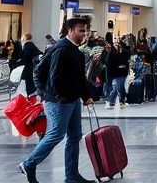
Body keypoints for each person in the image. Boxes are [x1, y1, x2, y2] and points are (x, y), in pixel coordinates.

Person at [19, 17, 93, 183]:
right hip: (60, 101)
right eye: (81, 31)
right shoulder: (62, 50)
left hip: (72, 100)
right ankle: (29, 164)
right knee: (55, 135)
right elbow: (54, 77)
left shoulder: (76, 51)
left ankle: (72, 176)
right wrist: (53, 96)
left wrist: (85, 96)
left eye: (85, 31)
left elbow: (79, 78)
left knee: (74, 136)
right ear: (70, 30)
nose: (84, 34)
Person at [104, 37, 130, 108]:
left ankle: (114, 101)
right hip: (114, 73)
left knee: (119, 87)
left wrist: (124, 66)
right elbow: (108, 63)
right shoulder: (110, 52)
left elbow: (127, 61)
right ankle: (113, 101)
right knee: (117, 87)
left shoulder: (125, 52)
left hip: (122, 72)